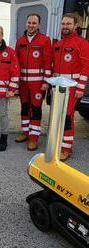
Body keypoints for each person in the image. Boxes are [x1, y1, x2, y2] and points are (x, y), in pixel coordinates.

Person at [52, 13, 89, 161]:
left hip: (72, 88)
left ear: (75, 26)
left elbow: (86, 67)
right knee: (58, 116)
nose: (65, 26)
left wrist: (80, 88)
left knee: (67, 117)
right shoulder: (58, 44)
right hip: (58, 86)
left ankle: (66, 148)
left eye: (68, 24)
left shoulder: (82, 43)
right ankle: (57, 143)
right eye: (63, 24)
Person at [15, 14, 53, 151]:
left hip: (38, 83)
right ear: (26, 23)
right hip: (23, 83)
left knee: (36, 110)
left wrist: (46, 81)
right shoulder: (20, 41)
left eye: (34, 23)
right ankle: (25, 132)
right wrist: (15, 81)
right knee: (24, 107)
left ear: (39, 25)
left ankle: (33, 138)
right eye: (29, 22)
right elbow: (15, 63)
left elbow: (48, 62)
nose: (31, 25)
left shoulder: (45, 40)